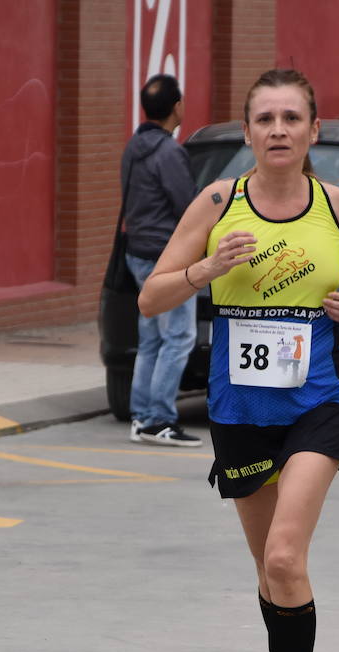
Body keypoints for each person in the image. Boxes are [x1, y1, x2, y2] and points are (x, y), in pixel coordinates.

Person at [137, 69, 339, 652]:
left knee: (283, 558)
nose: (278, 129)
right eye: (265, 118)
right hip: (240, 407)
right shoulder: (218, 203)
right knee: (271, 576)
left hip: (320, 399)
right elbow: (150, 296)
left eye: (291, 118)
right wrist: (206, 268)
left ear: (314, 129)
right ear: (246, 132)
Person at [119, 74, 201, 447]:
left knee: (151, 337)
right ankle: (159, 419)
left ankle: (142, 416)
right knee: (179, 337)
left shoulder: (133, 147)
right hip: (166, 259)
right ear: (177, 107)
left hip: (138, 254)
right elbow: (190, 209)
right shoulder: (169, 153)